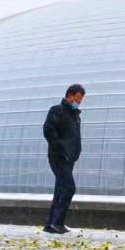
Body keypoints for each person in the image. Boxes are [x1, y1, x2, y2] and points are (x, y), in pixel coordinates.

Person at [41, 83, 85, 234]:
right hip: (58, 157)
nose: (78, 102)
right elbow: (48, 130)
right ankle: (57, 222)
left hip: (69, 159)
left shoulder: (75, 116)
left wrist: (75, 152)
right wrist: (61, 149)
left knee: (60, 189)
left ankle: (51, 224)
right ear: (70, 95)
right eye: (77, 98)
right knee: (69, 188)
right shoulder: (57, 111)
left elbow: (75, 137)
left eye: (80, 100)